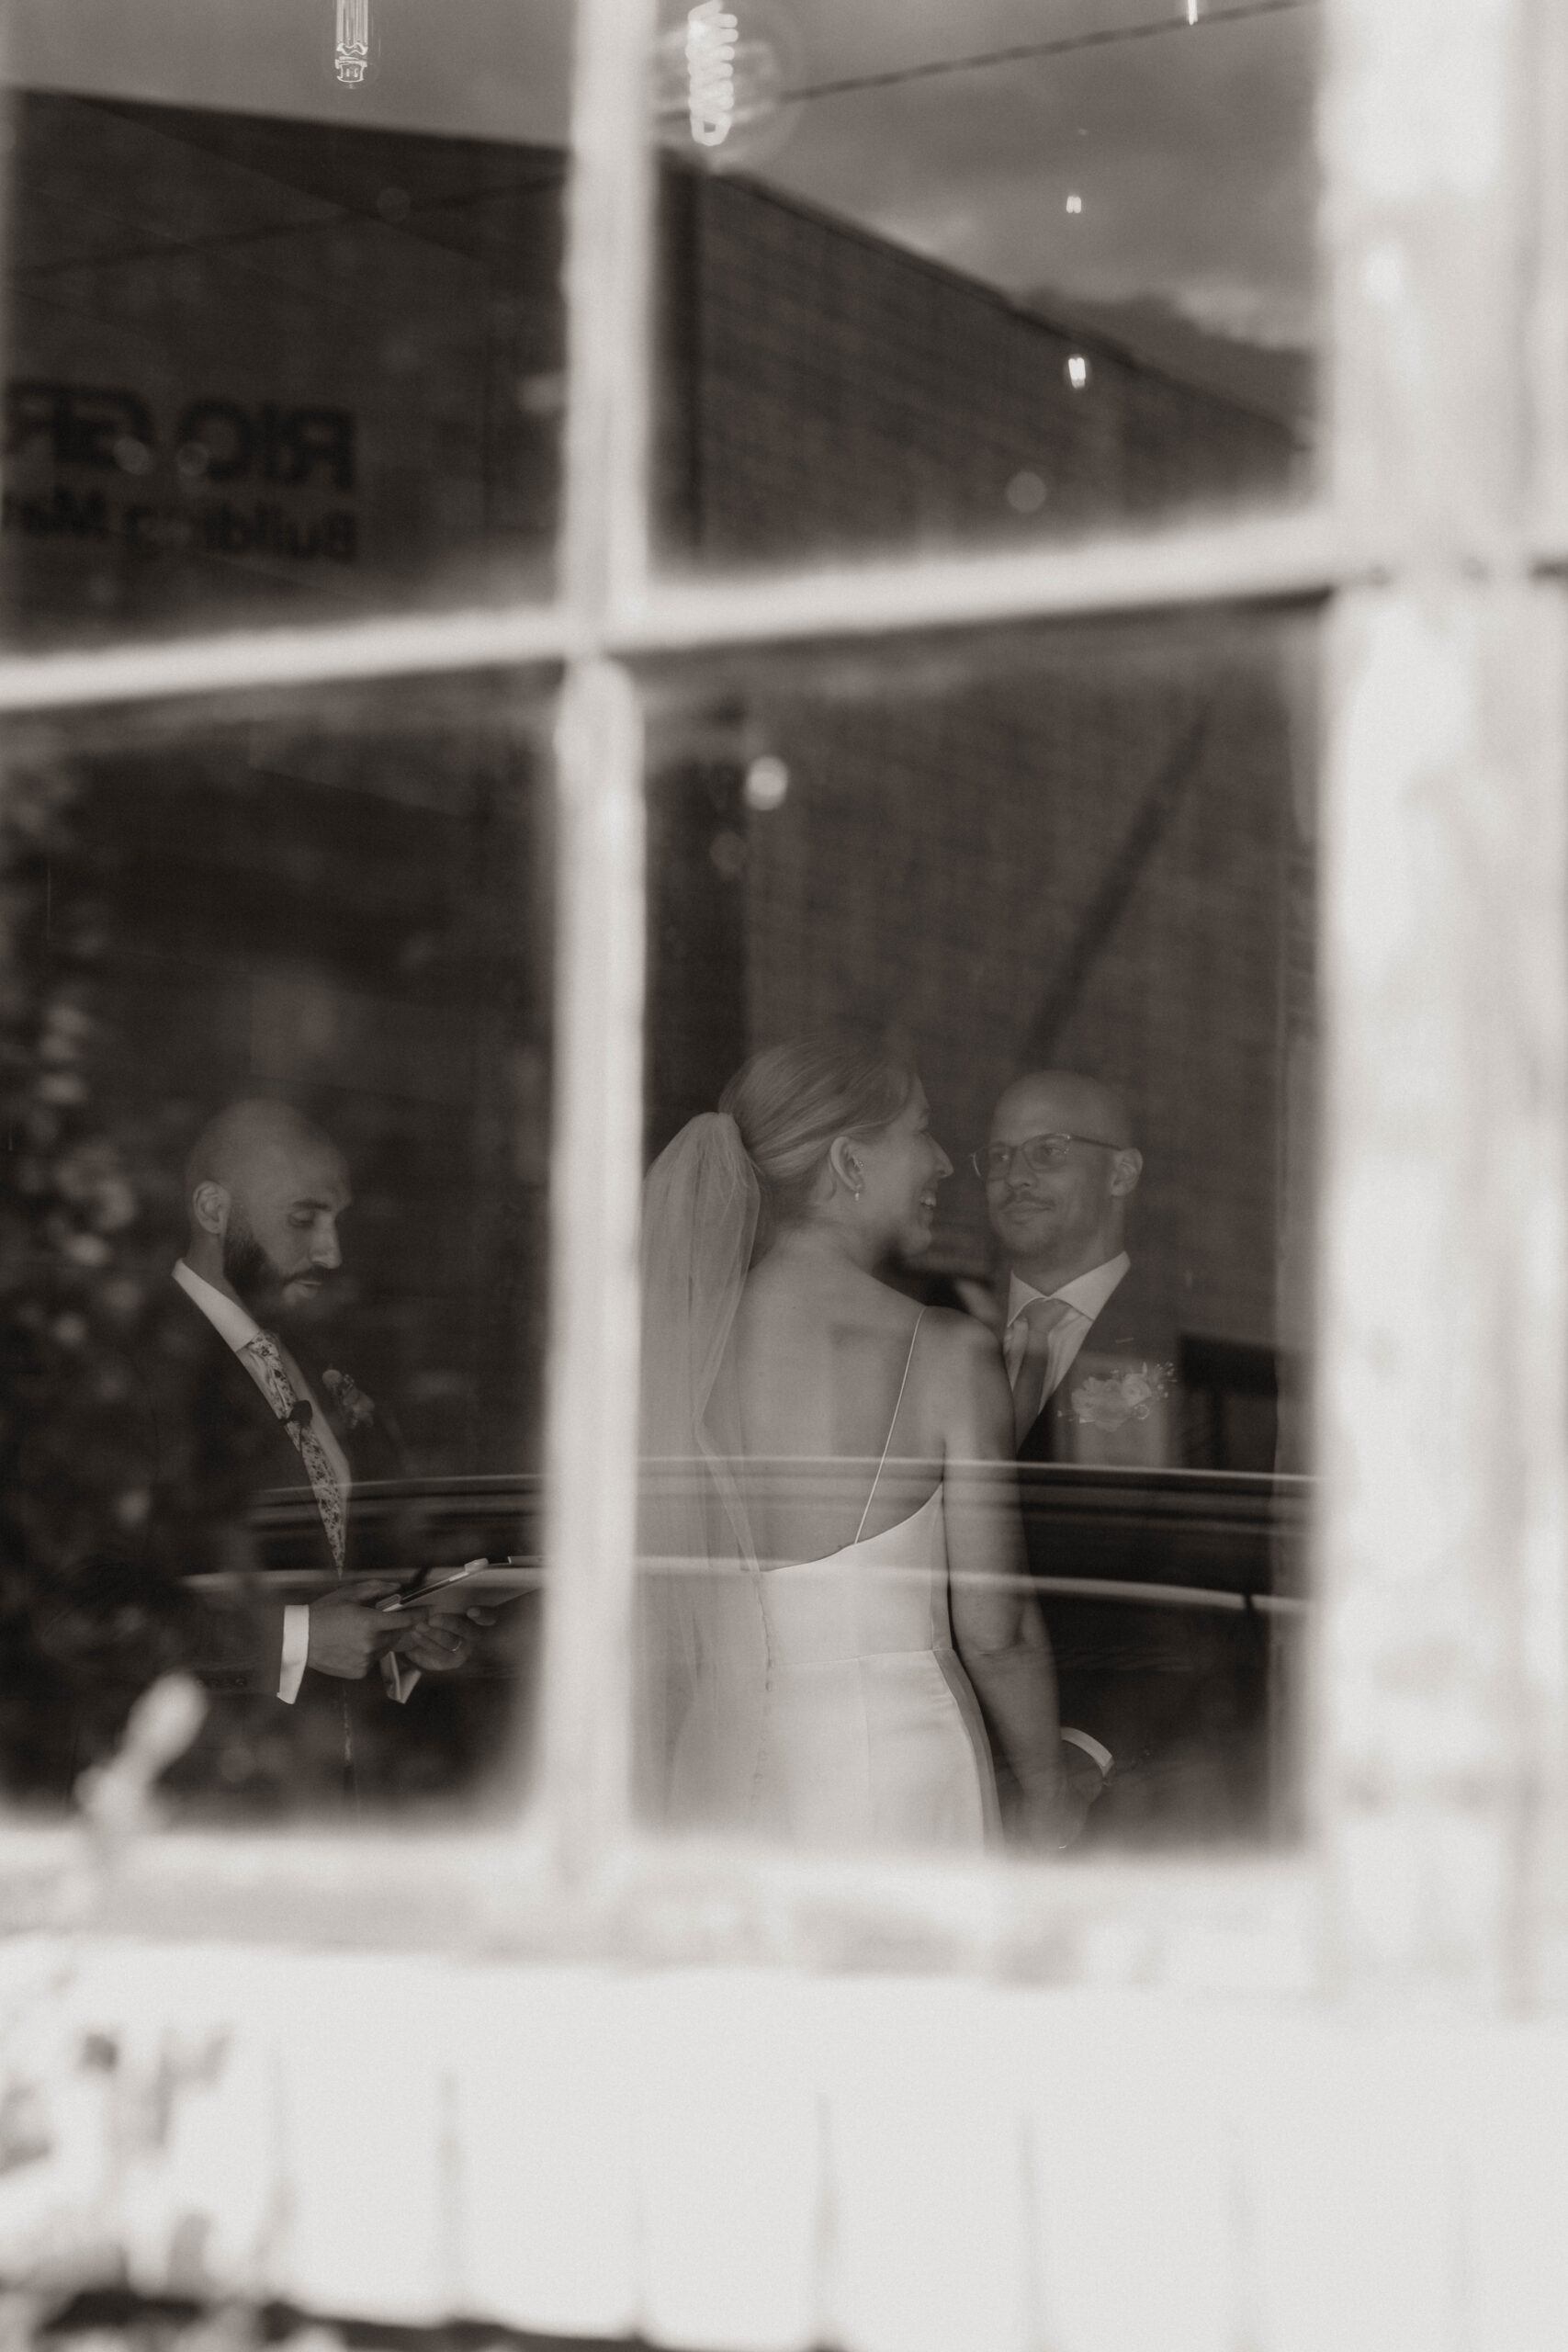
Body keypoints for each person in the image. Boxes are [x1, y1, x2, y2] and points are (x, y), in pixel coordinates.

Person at [637, 1039, 1083, 1851]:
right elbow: (997, 1631)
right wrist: (1051, 1793)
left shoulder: (682, 1355)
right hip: (888, 1768)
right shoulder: (947, 1353)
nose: (944, 1162)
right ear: (848, 1162)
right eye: (921, 1131)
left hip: (716, 1764)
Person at [119, 1101, 471, 1738]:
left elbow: (339, 1562)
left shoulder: (310, 1356)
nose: (332, 1253)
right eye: (303, 1219)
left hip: (335, 1782)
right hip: (194, 1786)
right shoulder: (136, 1362)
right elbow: (83, 1602)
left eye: (336, 1221)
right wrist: (297, 1637)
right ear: (213, 1210)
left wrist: (401, 1632)